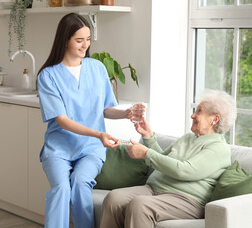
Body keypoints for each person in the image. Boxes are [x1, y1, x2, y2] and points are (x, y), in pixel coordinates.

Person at [36, 13, 133, 228]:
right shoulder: (48, 76)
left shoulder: (97, 68)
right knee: (61, 188)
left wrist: (126, 114)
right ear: (65, 40)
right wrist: (99, 134)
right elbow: (62, 120)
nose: (85, 45)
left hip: (90, 149)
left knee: (81, 184)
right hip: (59, 148)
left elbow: (106, 109)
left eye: (88, 39)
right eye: (79, 40)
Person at [100, 89, 237, 228]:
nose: (192, 115)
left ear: (215, 119)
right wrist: (149, 137)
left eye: (199, 111)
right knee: (114, 199)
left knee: (140, 205)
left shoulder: (219, 148)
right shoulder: (188, 138)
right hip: (155, 189)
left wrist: (146, 154)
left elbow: (184, 170)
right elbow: (163, 160)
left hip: (187, 200)